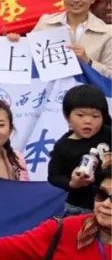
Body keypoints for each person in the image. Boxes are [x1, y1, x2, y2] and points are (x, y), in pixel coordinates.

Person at [29, 0, 112, 77]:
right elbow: (29, 58)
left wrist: (88, 62)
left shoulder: (107, 32)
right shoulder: (46, 23)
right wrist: (14, 41)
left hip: (89, 91)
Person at [47, 84, 111, 214]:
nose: (88, 121)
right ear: (67, 116)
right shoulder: (63, 145)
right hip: (79, 208)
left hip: (108, 205)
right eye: (80, 115)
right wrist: (72, 183)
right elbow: (54, 176)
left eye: (95, 116)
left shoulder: (109, 134)